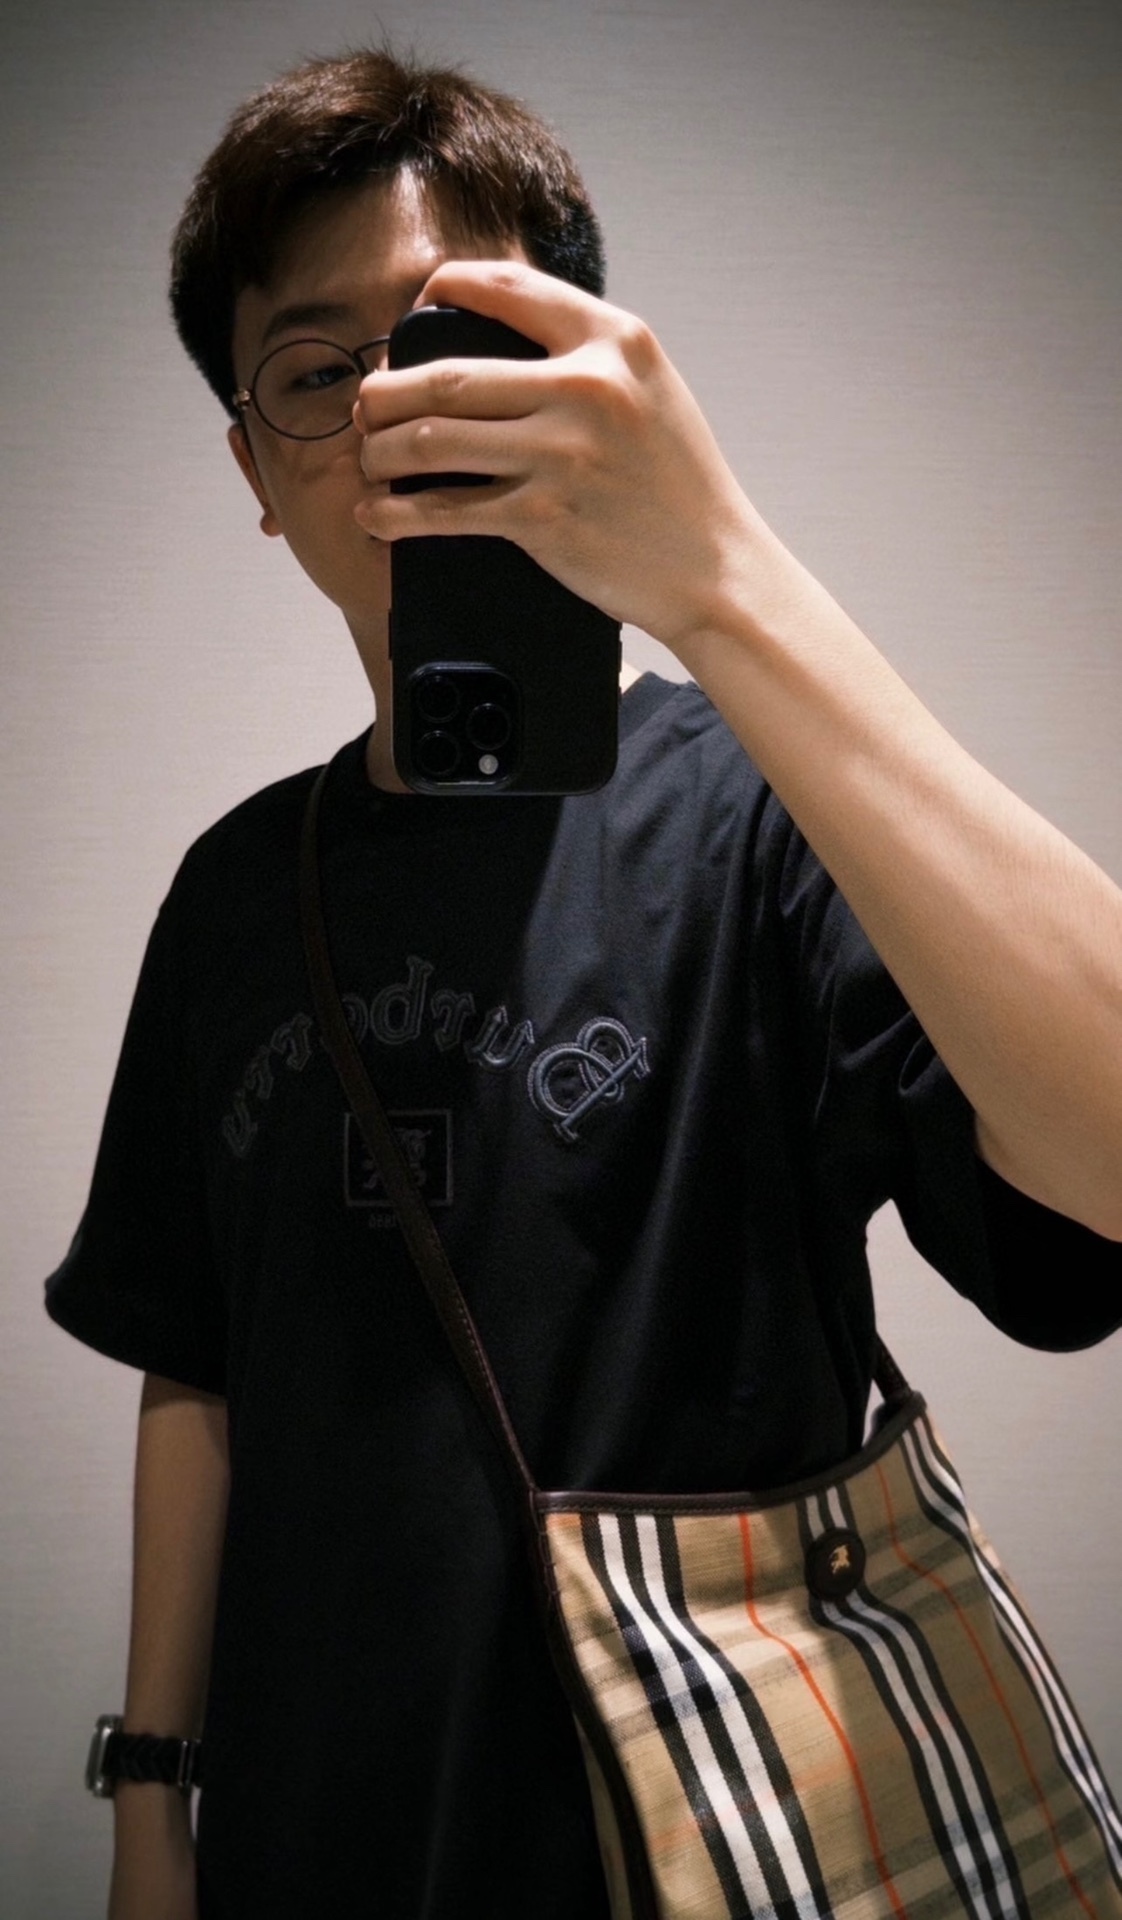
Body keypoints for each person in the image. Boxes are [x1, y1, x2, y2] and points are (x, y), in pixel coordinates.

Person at [45, 43, 1122, 1920]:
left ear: (591, 374)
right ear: (256, 472)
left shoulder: (759, 813)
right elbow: (193, 1361)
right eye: (315, 372)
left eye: (453, 344)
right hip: (315, 1835)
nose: (392, 413)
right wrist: (152, 1794)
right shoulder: (231, 893)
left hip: (732, 1838)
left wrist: (715, 574)